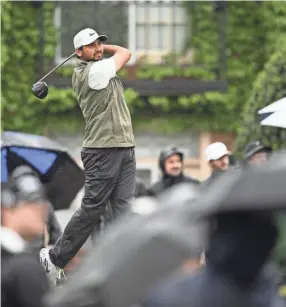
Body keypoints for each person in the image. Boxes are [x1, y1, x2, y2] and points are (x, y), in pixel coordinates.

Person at [40, 27, 136, 286]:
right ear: (78, 52)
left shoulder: (100, 65)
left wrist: (101, 47)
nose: (98, 49)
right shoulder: (92, 73)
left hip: (124, 146)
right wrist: (110, 47)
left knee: (123, 208)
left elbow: (120, 56)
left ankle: (117, 264)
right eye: (91, 46)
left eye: (99, 44)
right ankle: (55, 257)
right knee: (93, 208)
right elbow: (126, 53)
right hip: (102, 149)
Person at [1, 166, 49, 307]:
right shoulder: (24, 268)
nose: (42, 208)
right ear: (6, 210)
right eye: (32, 201)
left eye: (42, 200)